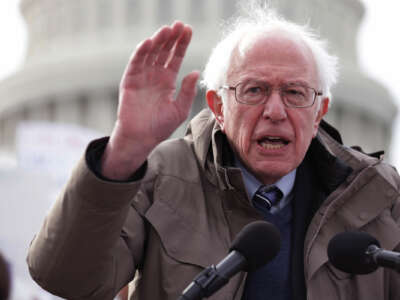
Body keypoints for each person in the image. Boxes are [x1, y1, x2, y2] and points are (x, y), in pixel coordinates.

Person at [27, 2, 400, 300]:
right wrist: (121, 153)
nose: (274, 111)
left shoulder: (379, 195)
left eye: (295, 93)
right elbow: (67, 280)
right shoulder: (161, 178)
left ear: (319, 112)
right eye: (253, 90)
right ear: (218, 108)